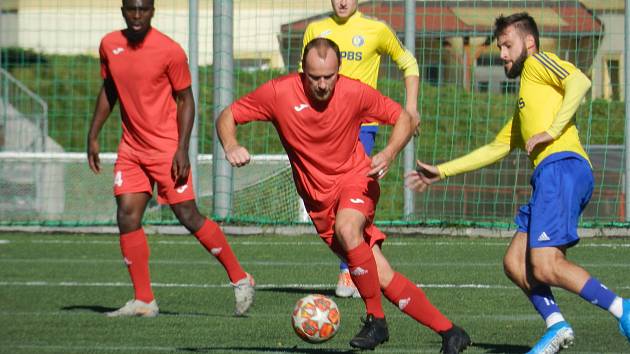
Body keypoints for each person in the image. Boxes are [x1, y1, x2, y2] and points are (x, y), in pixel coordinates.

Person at [217, 37, 470, 353]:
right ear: (302, 72)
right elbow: (227, 115)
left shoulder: (354, 91)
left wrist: (390, 153)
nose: (322, 84)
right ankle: (451, 332)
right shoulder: (278, 93)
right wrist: (230, 145)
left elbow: (404, 118)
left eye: (329, 76)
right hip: (319, 202)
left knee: (348, 230)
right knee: (381, 276)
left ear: (339, 71)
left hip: (355, 180)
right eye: (314, 77)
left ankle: (376, 321)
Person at [405, 12, 630, 353]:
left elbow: (581, 81)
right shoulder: (527, 97)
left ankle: (623, 311)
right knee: (515, 261)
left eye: (508, 45)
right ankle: (556, 325)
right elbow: (496, 147)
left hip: (561, 168)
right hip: (549, 177)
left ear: (529, 42)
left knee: (545, 264)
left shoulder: (539, 63)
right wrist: (442, 171)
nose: (502, 54)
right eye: (500, 48)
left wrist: (552, 132)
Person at [87, 0, 254, 318]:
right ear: (122, 10)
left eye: (143, 9)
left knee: (188, 215)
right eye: (131, 9)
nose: (137, 15)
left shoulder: (170, 50)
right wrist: (93, 134)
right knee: (127, 215)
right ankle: (144, 300)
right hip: (132, 149)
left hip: (166, 148)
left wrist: (182, 149)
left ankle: (240, 277)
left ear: (152, 11)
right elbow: (110, 89)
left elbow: (186, 100)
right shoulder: (110, 44)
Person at [301, 0, 420, 299]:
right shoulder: (316, 29)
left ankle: (348, 269)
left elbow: (409, 63)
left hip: (362, 126)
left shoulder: (376, 30)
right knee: (326, 199)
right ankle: (360, 258)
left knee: (352, 196)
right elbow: (301, 78)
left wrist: (412, 107)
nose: (342, 1)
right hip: (322, 129)